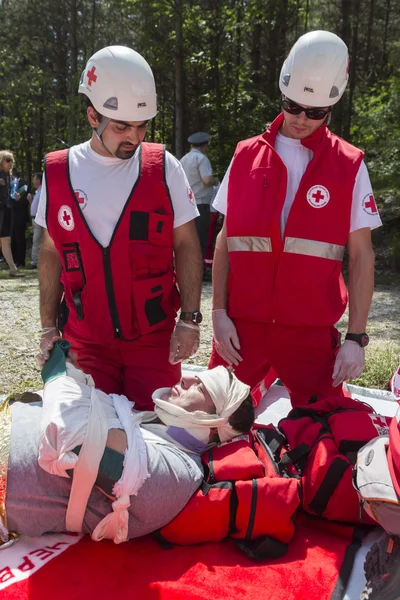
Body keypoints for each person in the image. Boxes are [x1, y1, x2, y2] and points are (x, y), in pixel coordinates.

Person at [209, 30, 381, 407]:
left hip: (309, 334)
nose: (302, 119)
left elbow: (362, 256)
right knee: (206, 427)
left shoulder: (348, 165)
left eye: (316, 112)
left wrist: (355, 339)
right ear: (282, 95)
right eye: (293, 106)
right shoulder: (245, 156)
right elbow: (225, 239)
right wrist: (218, 314)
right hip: (242, 330)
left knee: (326, 433)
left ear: (331, 109)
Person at [35, 46, 203, 410]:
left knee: (158, 438)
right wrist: (49, 327)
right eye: (122, 126)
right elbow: (50, 250)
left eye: (142, 125)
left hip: (152, 340)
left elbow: (187, 243)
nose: (135, 137)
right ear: (93, 115)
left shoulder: (164, 167)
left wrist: (190, 320)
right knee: (92, 443)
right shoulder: (58, 172)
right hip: (87, 340)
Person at [1, 362, 254, 545]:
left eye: (200, 388)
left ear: (212, 423)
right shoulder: (149, 424)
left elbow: (85, 451)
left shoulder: (179, 473)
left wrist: (60, 377)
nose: (187, 378)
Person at [180, 132, 219, 274]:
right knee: (201, 239)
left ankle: (186, 268)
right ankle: (199, 271)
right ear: (205, 146)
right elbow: (207, 180)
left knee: (188, 239)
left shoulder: (184, 159)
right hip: (201, 204)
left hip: (186, 204)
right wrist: (216, 181)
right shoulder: (201, 159)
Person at [0, 151, 25, 278]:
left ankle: (12, 269)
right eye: (7, 160)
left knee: (6, 240)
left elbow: (9, 197)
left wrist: (15, 198)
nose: (10, 163)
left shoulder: (10, 178)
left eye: (11, 160)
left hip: (7, 210)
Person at [10, 167, 30, 268]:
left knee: (20, 239)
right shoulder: (9, 184)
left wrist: (17, 202)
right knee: (12, 238)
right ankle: (12, 260)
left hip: (20, 216)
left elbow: (25, 200)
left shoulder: (24, 184)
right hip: (11, 216)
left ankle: (20, 261)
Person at [28, 172, 44, 269]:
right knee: (37, 241)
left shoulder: (42, 191)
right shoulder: (38, 192)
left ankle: (35, 262)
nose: (33, 181)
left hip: (39, 219)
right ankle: (37, 261)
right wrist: (31, 201)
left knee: (36, 241)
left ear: (39, 181)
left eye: (34, 179)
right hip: (35, 219)